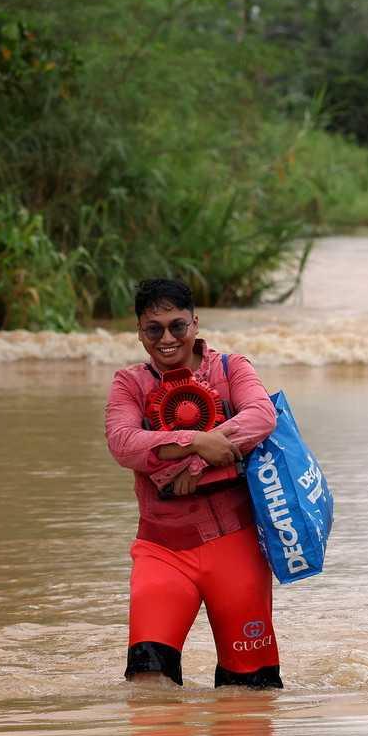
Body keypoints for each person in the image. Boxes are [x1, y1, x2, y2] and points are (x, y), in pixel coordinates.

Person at [105, 278, 283, 689]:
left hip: (236, 545)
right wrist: (197, 442)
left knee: (249, 696)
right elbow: (122, 443)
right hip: (161, 548)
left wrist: (194, 465)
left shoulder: (231, 368)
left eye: (177, 326)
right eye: (154, 329)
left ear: (195, 324)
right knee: (148, 683)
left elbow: (261, 417)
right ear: (139, 332)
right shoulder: (128, 383)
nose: (166, 339)